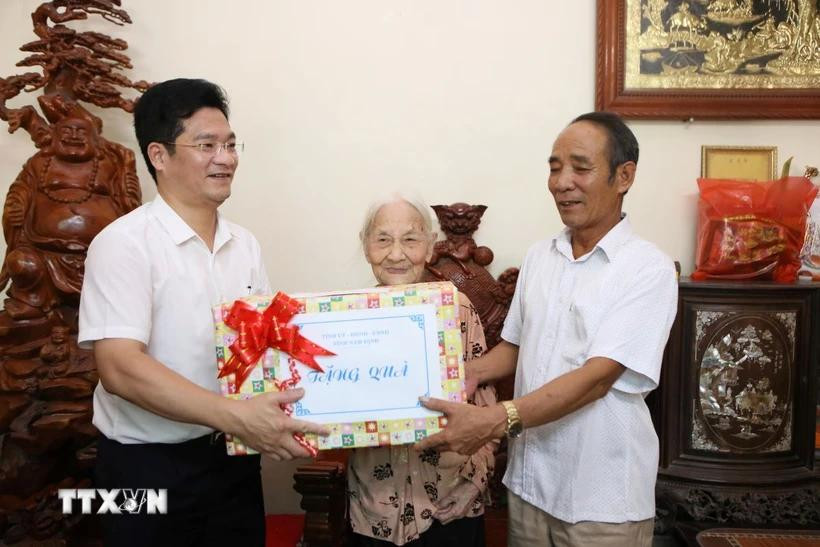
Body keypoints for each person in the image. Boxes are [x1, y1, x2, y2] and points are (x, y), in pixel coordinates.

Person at [78, 78, 326, 547]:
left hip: (232, 459)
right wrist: (234, 416)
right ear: (159, 155)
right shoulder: (122, 244)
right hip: (141, 468)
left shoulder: (244, 244)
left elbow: (262, 352)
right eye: (207, 145)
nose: (226, 158)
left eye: (230, 144)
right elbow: (119, 368)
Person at [417, 112, 678, 547]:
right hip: (530, 490)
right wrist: (469, 373)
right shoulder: (541, 257)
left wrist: (494, 420)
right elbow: (516, 346)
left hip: (601, 502)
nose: (561, 182)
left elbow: (597, 379)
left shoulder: (647, 269)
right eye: (555, 168)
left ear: (624, 176)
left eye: (580, 167)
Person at [348, 194, 497, 546]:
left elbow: (486, 405)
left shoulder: (458, 310)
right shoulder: (348, 318)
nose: (396, 254)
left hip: (451, 500)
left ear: (430, 247)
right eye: (383, 239)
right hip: (374, 507)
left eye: (411, 240)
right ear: (366, 246)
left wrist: (475, 482)